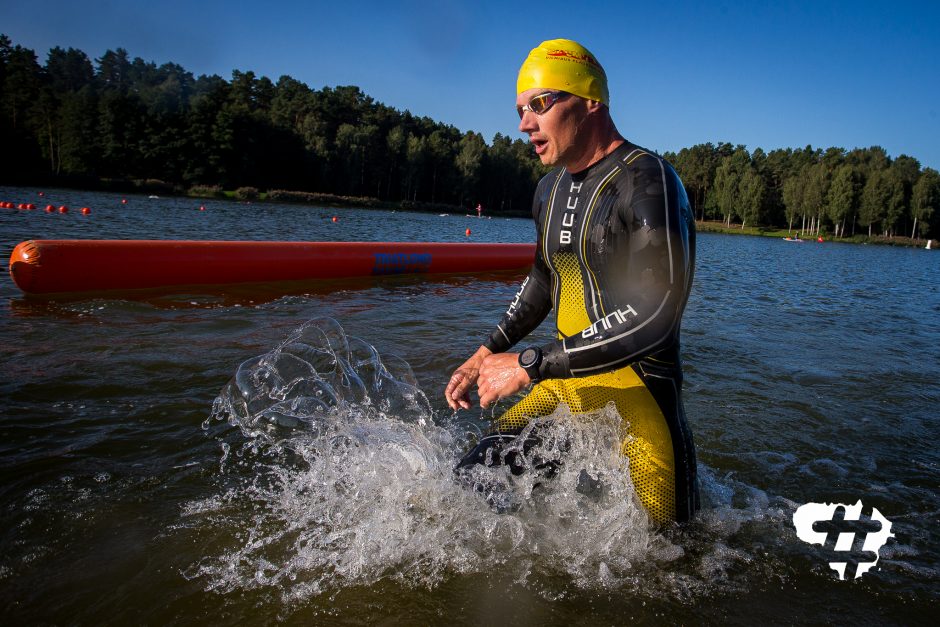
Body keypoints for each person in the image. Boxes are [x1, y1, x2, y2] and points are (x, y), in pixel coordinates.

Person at [444, 38, 698, 524]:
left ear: (590, 100)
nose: (524, 124)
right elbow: (543, 278)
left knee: (669, 567)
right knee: (470, 487)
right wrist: (487, 349)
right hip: (565, 387)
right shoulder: (549, 188)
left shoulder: (648, 181)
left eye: (539, 104)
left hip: (641, 405)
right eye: (520, 109)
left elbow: (656, 314)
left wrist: (529, 362)